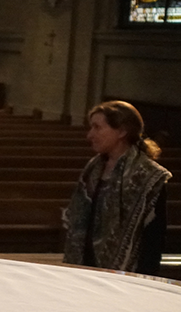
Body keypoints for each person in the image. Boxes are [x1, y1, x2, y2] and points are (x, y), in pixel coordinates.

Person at [63, 101, 171, 276]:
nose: (90, 135)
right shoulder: (93, 169)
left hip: (127, 273)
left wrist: (144, 279)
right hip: (85, 266)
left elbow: (153, 239)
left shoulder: (148, 176)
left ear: (121, 131)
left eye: (97, 127)